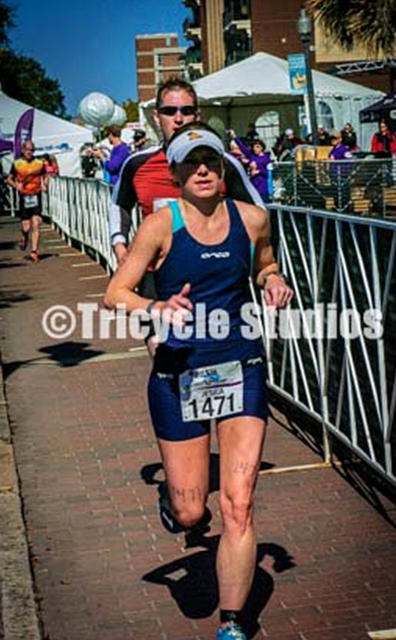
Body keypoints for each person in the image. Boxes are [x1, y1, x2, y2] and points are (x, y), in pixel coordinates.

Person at [104, 122, 294, 640]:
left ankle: (233, 622)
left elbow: (265, 265)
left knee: (238, 502)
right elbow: (115, 293)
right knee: (194, 509)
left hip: (241, 365)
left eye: (210, 160)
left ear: (223, 166)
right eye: (191, 163)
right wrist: (156, 305)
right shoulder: (159, 227)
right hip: (178, 371)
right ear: (176, 173)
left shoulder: (253, 219)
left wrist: (273, 280)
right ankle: (178, 508)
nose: (203, 170)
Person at [110, 77, 265, 265]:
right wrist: (119, 245)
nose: (178, 119)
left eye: (187, 111)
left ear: (197, 116)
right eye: (169, 111)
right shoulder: (136, 163)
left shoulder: (224, 162)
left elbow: (259, 214)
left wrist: (263, 269)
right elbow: (120, 205)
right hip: (156, 274)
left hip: (215, 274)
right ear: (157, 118)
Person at [6, 140, 48, 262]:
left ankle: (34, 252)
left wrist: (45, 185)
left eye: (31, 150)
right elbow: (9, 179)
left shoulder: (39, 163)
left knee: (36, 223)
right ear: (23, 151)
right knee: (26, 227)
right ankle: (24, 236)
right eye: (27, 150)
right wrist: (16, 185)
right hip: (24, 197)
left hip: (36, 195)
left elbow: (46, 176)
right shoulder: (17, 164)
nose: (29, 152)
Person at [228, 130, 272, 202]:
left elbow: (269, 172)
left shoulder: (266, 158)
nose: (255, 149)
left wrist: (258, 171)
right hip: (253, 185)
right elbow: (242, 147)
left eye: (257, 147)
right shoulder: (252, 156)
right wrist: (234, 136)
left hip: (262, 187)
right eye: (254, 147)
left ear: (262, 148)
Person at [328, 129, 353, 211]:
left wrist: (342, 171)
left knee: (343, 195)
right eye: (331, 138)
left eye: (335, 138)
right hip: (334, 176)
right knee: (336, 194)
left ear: (340, 139)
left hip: (342, 177)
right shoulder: (333, 150)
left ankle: (345, 209)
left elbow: (349, 162)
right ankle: (337, 207)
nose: (333, 140)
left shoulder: (344, 149)